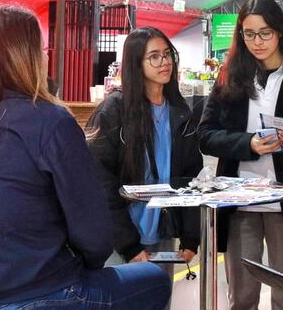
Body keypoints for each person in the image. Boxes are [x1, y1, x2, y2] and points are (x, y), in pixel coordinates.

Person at [0, 6, 170, 310]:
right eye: (41, 49)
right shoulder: (50, 121)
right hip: (40, 293)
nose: (47, 57)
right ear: (26, 59)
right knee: (155, 280)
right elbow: (95, 237)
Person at [199, 0, 283, 310]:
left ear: (280, 32)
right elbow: (206, 135)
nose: (257, 42)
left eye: (265, 33)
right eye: (249, 34)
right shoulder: (230, 74)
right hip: (240, 200)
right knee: (242, 296)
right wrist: (248, 144)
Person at [87, 27, 202, 268]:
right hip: (121, 240)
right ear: (135, 63)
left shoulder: (179, 112)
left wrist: (191, 236)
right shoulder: (114, 111)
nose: (165, 62)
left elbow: (190, 177)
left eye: (168, 54)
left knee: (161, 301)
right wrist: (128, 244)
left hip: (163, 232)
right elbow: (99, 182)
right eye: (154, 56)